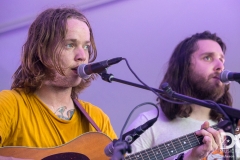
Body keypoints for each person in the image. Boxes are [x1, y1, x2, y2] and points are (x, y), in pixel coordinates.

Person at [0, 7, 117, 159]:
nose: (82, 56)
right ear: (42, 51)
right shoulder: (10, 105)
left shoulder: (97, 119)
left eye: (86, 47)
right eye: (70, 45)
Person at [126, 31, 236, 160]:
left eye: (221, 60)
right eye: (207, 58)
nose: (220, 66)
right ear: (184, 67)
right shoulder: (148, 124)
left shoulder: (232, 126)